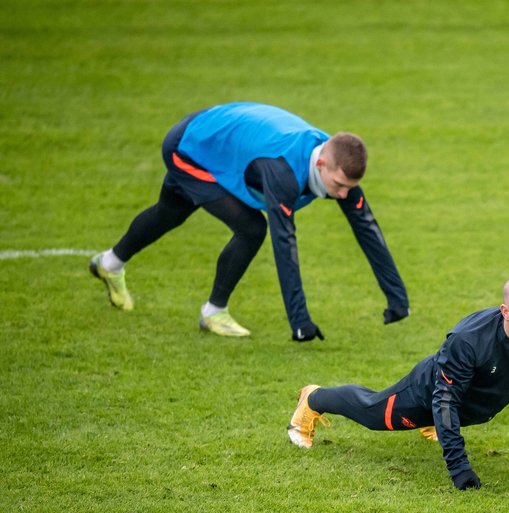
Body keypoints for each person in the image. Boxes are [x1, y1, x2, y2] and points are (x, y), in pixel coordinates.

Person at [89, 102, 409, 339]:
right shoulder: (283, 173)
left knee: (169, 213)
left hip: (216, 141)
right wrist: (300, 322)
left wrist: (397, 298)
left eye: (348, 188)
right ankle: (214, 312)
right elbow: (285, 244)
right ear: (322, 162)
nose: (342, 195)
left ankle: (109, 263)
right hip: (190, 148)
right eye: (338, 186)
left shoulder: (339, 165)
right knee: (251, 228)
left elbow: (367, 228)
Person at [287, 273, 509, 490]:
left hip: (467, 404)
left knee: (451, 411)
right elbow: (445, 399)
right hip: (428, 392)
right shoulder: (468, 341)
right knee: (373, 413)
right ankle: (314, 398)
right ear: (505, 312)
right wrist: (460, 469)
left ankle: (436, 423)